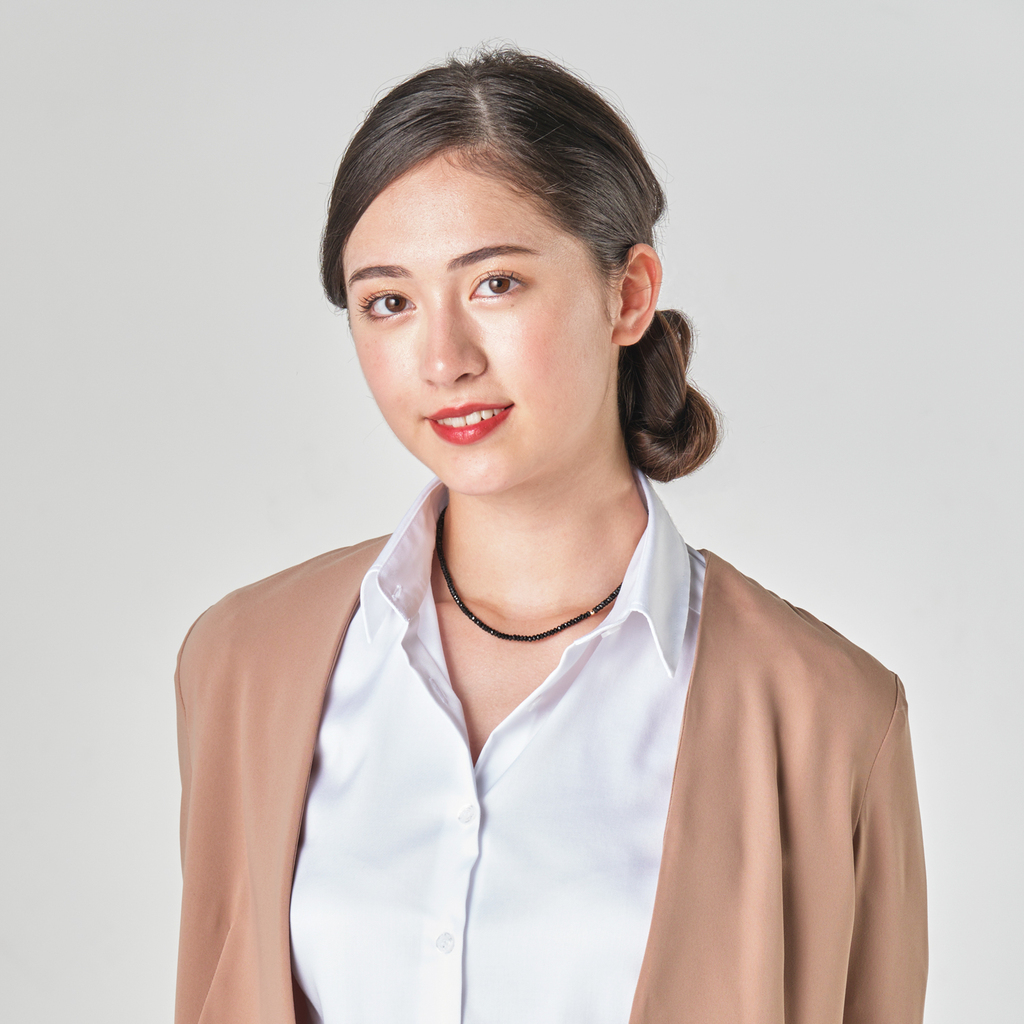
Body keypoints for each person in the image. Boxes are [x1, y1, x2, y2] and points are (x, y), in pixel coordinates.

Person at [173, 48, 927, 1024]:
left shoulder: (825, 716)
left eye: (495, 284)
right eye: (389, 302)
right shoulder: (243, 663)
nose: (443, 358)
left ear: (628, 294)